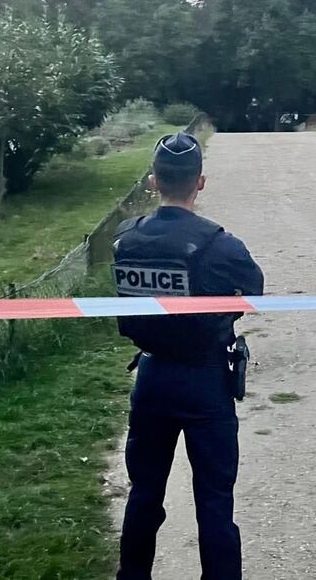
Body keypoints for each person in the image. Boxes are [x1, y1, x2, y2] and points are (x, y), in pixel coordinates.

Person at [113, 133, 264, 580]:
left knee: (143, 494)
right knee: (215, 503)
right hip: (205, 381)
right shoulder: (221, 245)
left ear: (153, 180)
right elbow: (252, 292)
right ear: (200, 182)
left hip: (152, 376)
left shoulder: (125, 239)